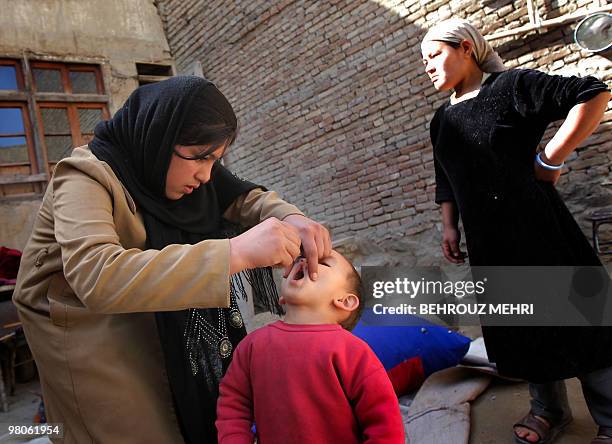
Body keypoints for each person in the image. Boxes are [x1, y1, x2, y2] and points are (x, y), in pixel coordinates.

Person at [13, 76, 331, 444]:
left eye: (215, 160)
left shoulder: (183, 168)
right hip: (91, 331)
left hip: (154, 315)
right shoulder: (84, 175)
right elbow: (97, 276)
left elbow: (244, 198)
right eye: (200, 158)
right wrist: (235, 252)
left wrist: (291, 217)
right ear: (160, 137)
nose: (207, 174)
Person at [421, 18, 612, 444]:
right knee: (521, 327)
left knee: (580, 321)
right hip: (490, 242)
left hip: (540, 229)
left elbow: (593, 93)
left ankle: (610, 416)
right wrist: (449, 226)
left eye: (434, 55)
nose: (428, 67)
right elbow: (445, 176)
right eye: (425, 62)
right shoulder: (441, 120)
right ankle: (549, 410)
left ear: (467, 47)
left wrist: (551, 158)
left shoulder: (511, 87)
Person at [216, 250, 405, 443]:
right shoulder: (251, 346)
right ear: (282, 297)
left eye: (322, 262)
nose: (306, 260)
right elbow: (233, 406)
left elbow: (385, 425)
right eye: (299, 259)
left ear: (344, 301)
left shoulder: (353, 351)